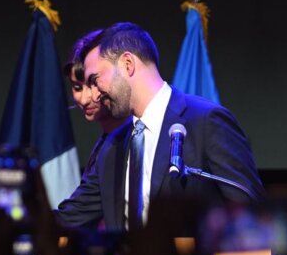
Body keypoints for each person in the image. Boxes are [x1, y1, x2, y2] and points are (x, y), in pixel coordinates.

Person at [55, 22, 263, 230]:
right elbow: (69, 218)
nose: (93, 94)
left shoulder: (205, 123)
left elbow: (256, 218)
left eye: (95, 80)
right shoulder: (111, 148)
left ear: (128, 64)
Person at [64, 28, 127, 178]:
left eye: (93, 83)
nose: (85, 99)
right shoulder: (104, 144)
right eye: (77, 87)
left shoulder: (133, 141)